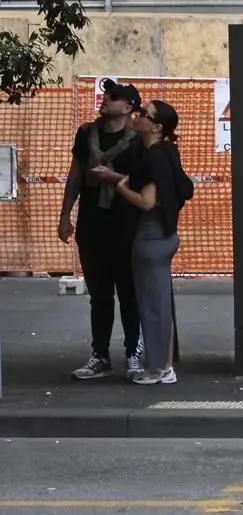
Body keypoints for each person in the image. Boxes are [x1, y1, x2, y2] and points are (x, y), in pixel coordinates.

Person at [93, 100, 190, 385]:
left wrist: (121, 186)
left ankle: (158, 368)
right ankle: (164, 365)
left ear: (156, 127)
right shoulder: (169, 152)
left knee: (151, 306)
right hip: (167, 235)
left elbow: (146, 202)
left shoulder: (152, 159)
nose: (137, 117)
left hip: (150, 237)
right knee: (159, 304)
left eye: (144, 115)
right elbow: (186, 188)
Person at [60, 79, 145, 380]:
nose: (106, 99)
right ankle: (100, 355)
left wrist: (112, 177)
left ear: (129, 107)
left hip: (127, 226)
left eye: (115, 96)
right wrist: (65, 215)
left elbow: (143, 183)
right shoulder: (87, 134)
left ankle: (134, 352)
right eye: (106, 94)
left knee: (130, 294)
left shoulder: (138, 139)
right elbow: (76, 176)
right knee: (100, 296)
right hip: (92, 225)